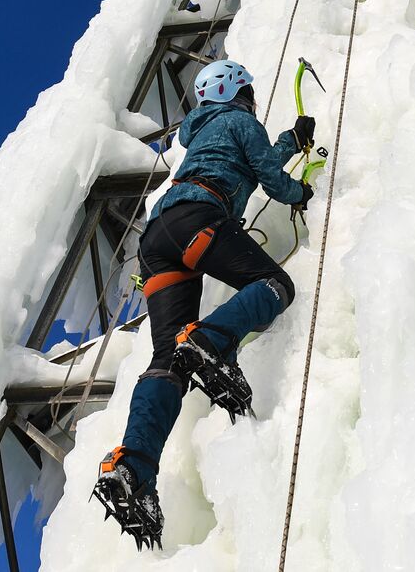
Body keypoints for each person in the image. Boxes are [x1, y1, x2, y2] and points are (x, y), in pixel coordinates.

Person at [94, 59, 316, 549]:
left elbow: (253, 159)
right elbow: (271, 180)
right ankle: (213, 339)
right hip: (201, 216)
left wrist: (291, 140)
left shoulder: (204, 133)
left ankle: (132, 467)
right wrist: (305, 190)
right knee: (275, 284)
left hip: (157, 241)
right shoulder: (241, 120)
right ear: (238, 90)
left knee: (166, 361)